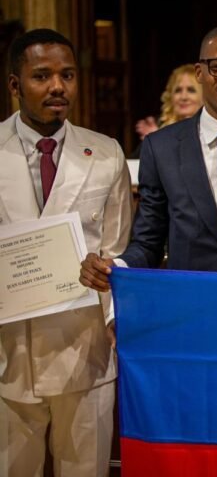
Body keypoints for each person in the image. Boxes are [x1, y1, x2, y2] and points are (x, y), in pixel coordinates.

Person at [80, 25, 217, 289]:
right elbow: (148, 242)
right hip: (189, 306)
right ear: (199, 72)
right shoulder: (161, 147)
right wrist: (116, 267)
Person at [0, 29, 132, 476]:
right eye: (42, 76)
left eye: (67, 75)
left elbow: (118, 249)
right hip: (7, 353)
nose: (58, 87)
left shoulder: (106, 153)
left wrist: (109, 279)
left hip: (84, 350)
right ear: (15, 85)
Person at [132, 63, 202, 157]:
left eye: (191, 90)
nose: (183, 97)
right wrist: (152, 141)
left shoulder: (212, 127)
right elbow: (135, 163)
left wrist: (161, 141)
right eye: (178, 90)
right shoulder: (159, 124)